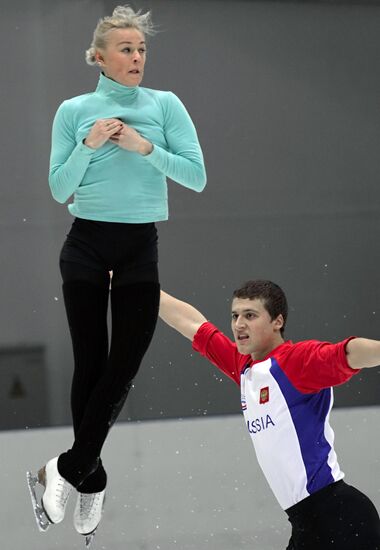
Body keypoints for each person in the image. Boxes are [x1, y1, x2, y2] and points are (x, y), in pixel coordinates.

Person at [34, 4, 206, 539]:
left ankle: (64, 470)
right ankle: (93, 477)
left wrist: (145, 146)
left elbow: (196, 177)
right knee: (91, 365)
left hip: (138, 247)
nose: (137, 57)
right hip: (85, 246)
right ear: (100, 57)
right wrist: (89, 146)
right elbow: (59, 188)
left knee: (123, 366)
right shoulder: (74, 109)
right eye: (126, 49)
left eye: (142, 48)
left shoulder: (165, 105)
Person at [159, 281, 380, 550]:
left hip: (340, 518)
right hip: (306, 524)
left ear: (277, 321)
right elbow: (192, 324)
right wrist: (138, 284)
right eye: (235, 315)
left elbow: (349, 352)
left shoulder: (296, 362)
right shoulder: (244, 366)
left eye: (250, 315)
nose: (239, 324)